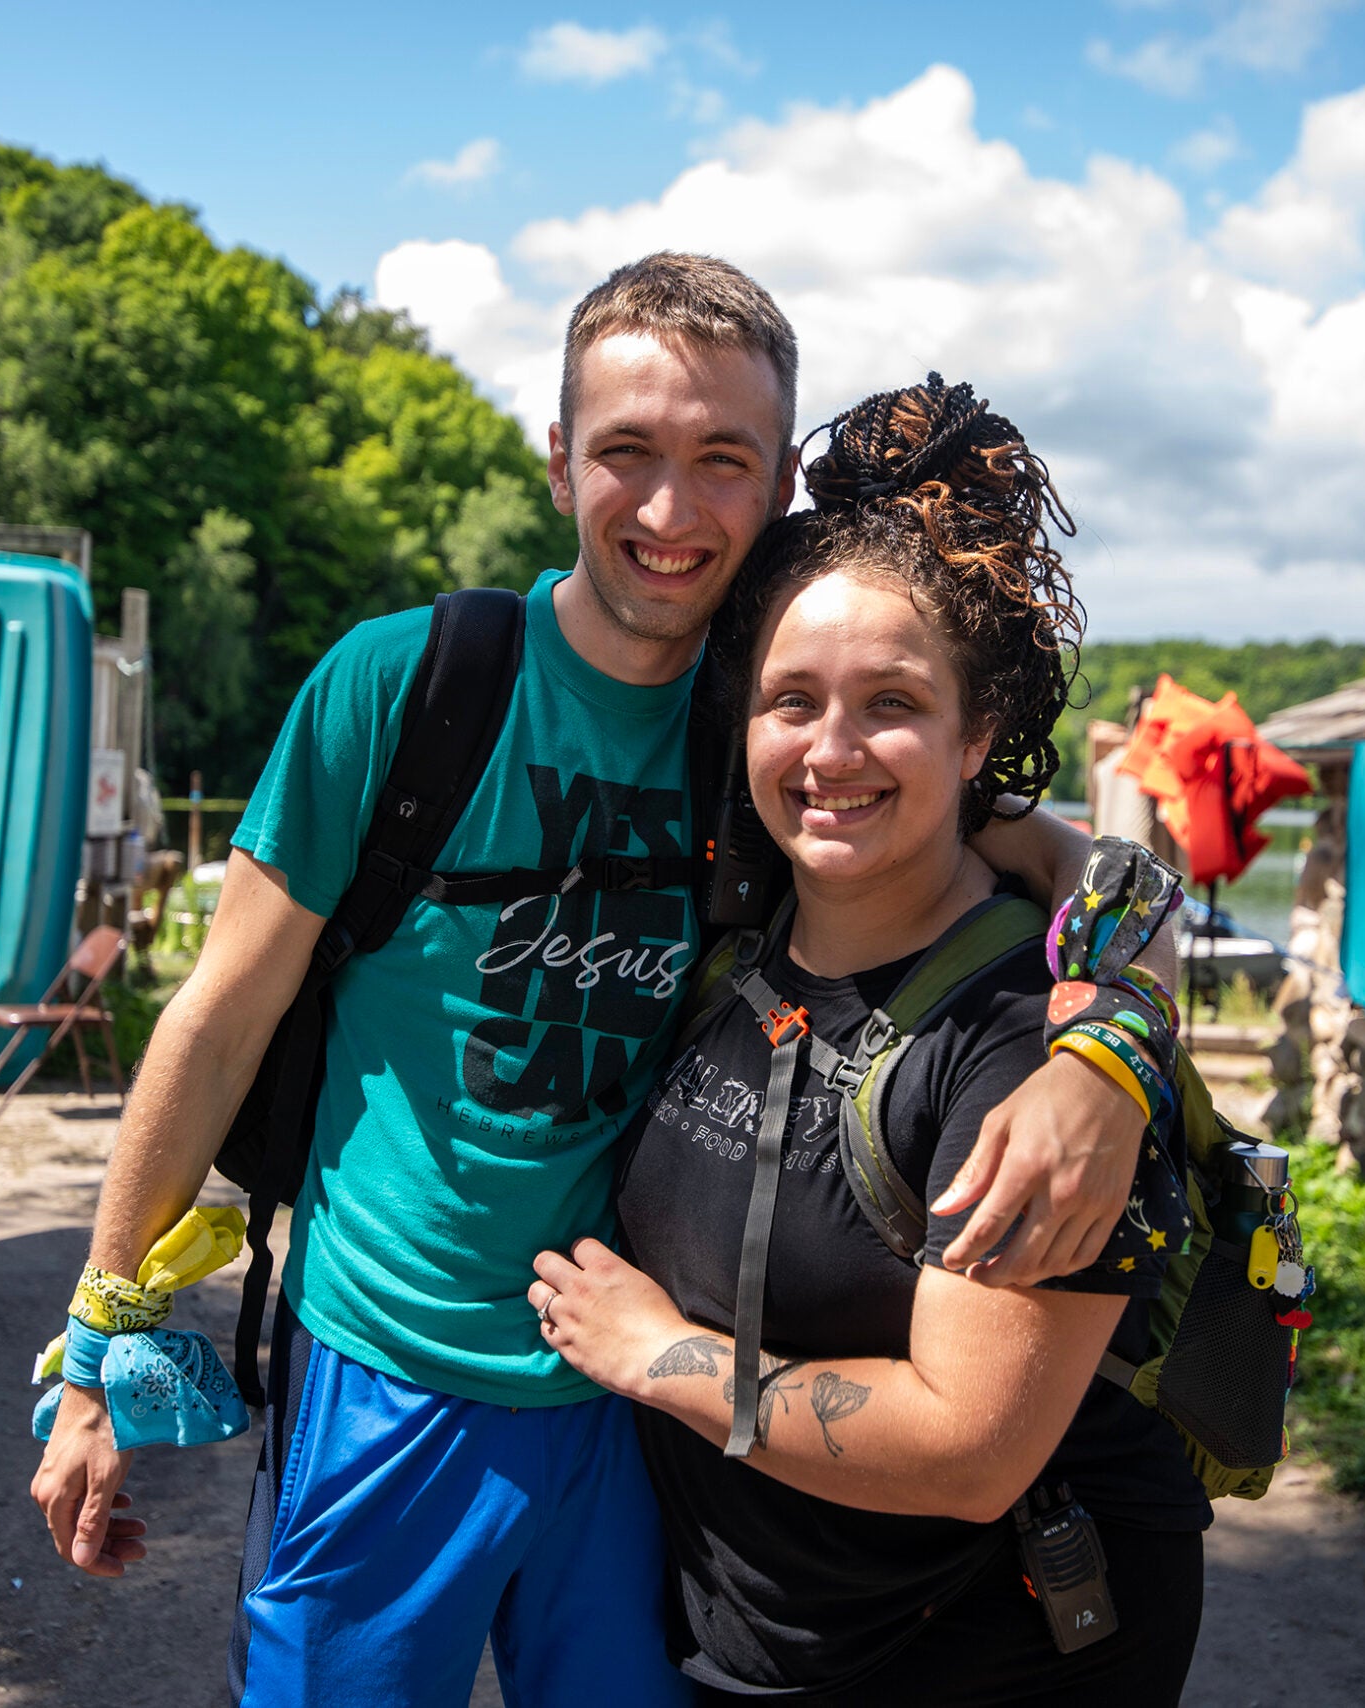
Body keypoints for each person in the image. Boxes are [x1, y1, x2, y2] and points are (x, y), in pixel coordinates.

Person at [27, 255, 1160, 1708]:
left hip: (638, 1423)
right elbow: (219, 1016)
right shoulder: (405, 688)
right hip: (384, 1388)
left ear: (774, 487)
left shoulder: (773, 730)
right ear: (562, 461)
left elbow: (1095, 871)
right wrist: (95, 1347)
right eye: (628, 453)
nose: (673, 512)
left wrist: (1111, 1055)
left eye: (723, 462)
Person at [529, 376, 1209, 1707]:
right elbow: (1099, 865)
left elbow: (970, 1451)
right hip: (749, 1649)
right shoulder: (739, 934)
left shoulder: (1027, 1043)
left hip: (981, 1661)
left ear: (981, 736)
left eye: (891, 703)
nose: (831, 751)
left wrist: (654, 1357)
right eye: (793, 700)